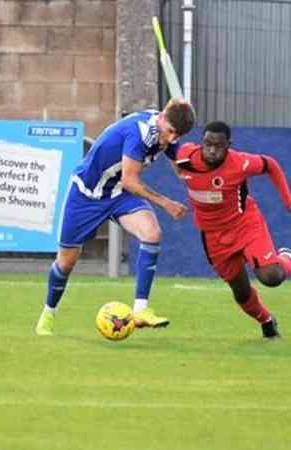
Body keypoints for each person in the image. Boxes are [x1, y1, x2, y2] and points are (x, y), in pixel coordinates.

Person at [35, 99, 196, 335]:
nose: (172, 139)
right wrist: (166, 203)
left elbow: (179, 167)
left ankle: (141, 309)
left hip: (118, 193)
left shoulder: (167, 134)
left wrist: (197, 178)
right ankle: (49, 313)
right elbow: (131, 180)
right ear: (161, 117)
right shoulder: (140, 134)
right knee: (66, 262)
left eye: (177, 135)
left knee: (152, 234)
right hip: (87, 195)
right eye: (171, 132)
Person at [175, 121, 291, 339]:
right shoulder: (186, 156)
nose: (212, 150)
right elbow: (172, 156)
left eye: (219, 145)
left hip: (245, 224)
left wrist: (289, 202)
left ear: (228, 145)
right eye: (208, 144)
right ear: (201, 142)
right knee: (241, 292)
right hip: (213, 236)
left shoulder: (240, 163)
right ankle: (267, 321)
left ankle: (288, 258)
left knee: (271, 276)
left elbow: (270, 164)